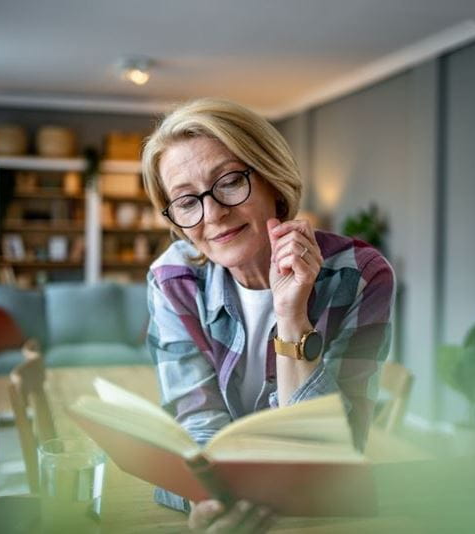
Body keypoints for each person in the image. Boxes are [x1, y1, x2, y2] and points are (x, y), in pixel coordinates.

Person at [142, 98, 395, 532]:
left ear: (272, 180)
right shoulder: (172, 279)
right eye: (186, 202)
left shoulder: (360, 275)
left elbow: (336, 448)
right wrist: (209, 500)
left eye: (229, 182)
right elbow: (195, 425)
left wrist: (291, 312)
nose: (214, 213)